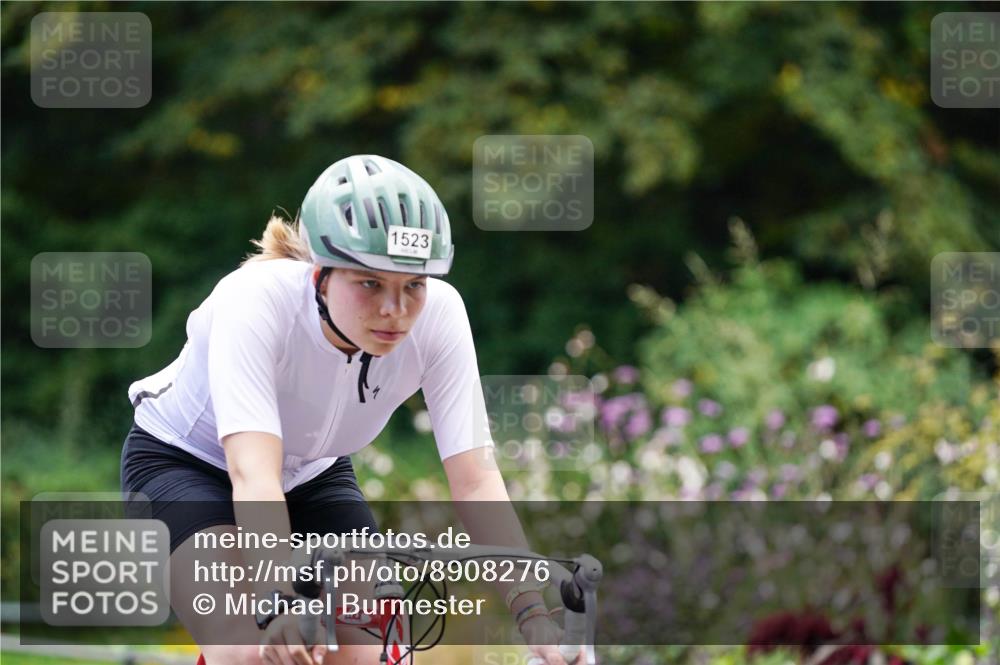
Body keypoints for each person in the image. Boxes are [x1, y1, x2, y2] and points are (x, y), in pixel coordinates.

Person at [120, 155, 576, 665]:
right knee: (252, 647)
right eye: (370, 283)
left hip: (315, 474)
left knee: (378, 652)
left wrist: (533, 612)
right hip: (188, 465)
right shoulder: (253, 301)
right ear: (321, 275)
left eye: (414, 285)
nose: (394, 311)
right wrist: (281, 600)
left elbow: (475, 480)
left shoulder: (441, 316)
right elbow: (254, 475)